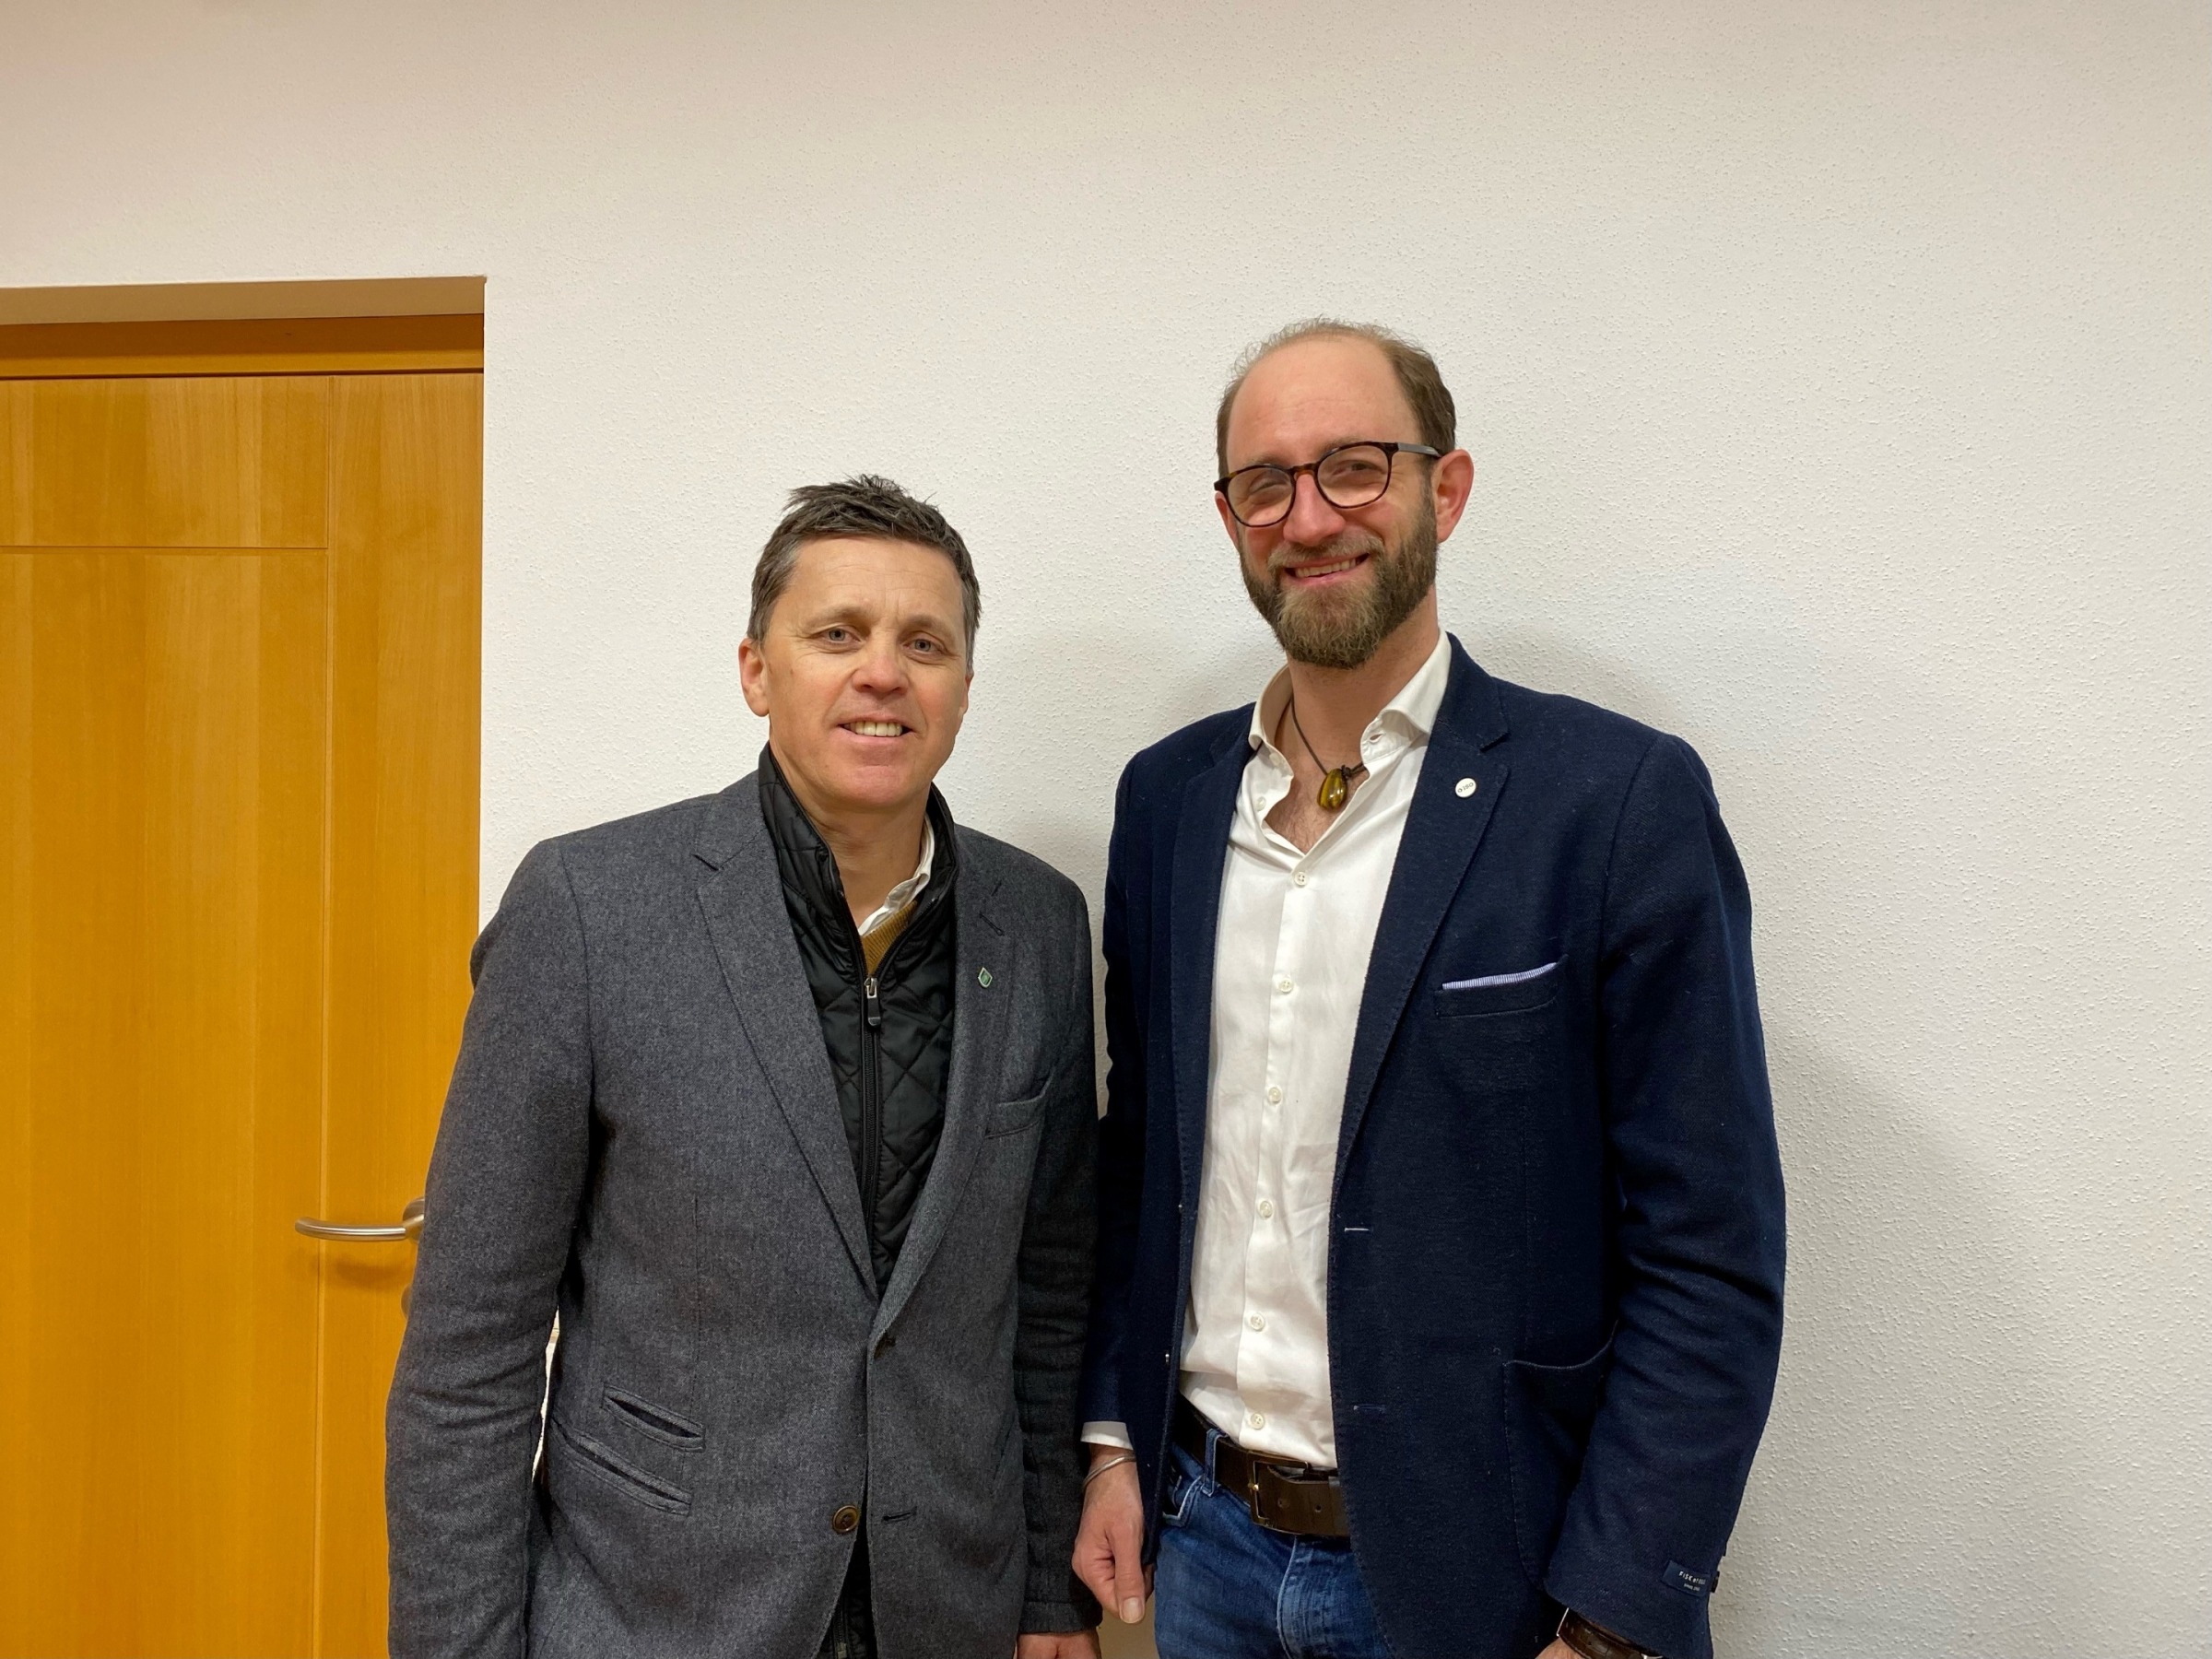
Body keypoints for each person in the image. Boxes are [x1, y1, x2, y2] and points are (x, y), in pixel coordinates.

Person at [1073, 322, 1786, 1659]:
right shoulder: (1165, 802)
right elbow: (1141, 1162)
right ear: (1230, 521)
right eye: (1266, 484)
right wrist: (1114, 1441)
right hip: (1204, 1551)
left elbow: (1708, 1254)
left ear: (1444, 490)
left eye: (1355, 467)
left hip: (1491, 1583)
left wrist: (1612, 1622)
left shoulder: (1612, 802)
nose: (1308, 517)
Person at [388, 476, 1100, 1658]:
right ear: (757, 672)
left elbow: (1050, 1293)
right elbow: (471, 1344)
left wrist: (1042, 1592)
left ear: (965, 687)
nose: (884, 673)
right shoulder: (588, 908)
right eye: (838, 634)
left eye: (925, 643)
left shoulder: (1039, 926)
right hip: (657, 1610)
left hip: (947, 1609)